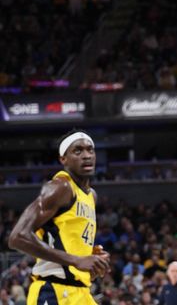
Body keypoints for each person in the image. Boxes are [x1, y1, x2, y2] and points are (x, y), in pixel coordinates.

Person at [8, 130, 111, 304]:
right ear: (63, 159)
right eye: (77, 151)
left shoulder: (91, 195)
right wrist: (77, 260)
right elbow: (17, 237)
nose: (86, 156)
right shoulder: (60, 187)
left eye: (90, 150)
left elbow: (64, 238)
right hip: (53, 291)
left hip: (80, 292)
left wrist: (90, 256)